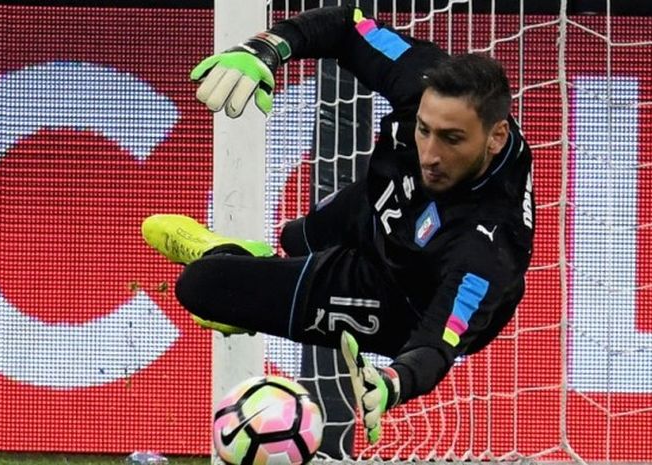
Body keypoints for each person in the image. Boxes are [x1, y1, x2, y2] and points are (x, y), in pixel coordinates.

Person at [141, 5, 535, 445]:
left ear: (496, 136)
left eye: (452, 138)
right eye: (423, 129)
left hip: (401, 297)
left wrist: (392, 383)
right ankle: (262, 259)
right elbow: (348, 25)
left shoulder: (489, 247)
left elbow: (438, 343)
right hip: (379, 203)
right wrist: (266, 48)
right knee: (295, 238)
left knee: (203, 287)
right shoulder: (422, 76)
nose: (430, 153)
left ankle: (233, 262)